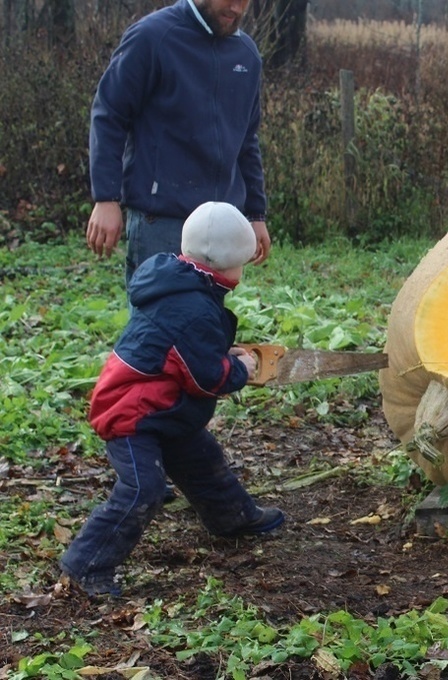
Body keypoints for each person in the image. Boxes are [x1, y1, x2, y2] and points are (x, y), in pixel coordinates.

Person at [60, 202, 284, 598]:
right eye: (242, 262)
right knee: (142, 490)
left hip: (165, 411)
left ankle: (231, 517)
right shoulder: (193, 308)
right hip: (133, 417)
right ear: (225, 264)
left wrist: (222, 353)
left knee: (202, 459)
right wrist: (240, 371)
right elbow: (204, 377)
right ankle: (86, 564)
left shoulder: (185, 284)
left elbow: (183, 355)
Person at [85, 0, 271, 286]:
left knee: (207, 325)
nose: (237, 8)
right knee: (158, 326)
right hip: (161, 221)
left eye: (245, 0)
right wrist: (106, 198)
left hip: (221, 226)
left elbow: (247, 139)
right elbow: (109, 114)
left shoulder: (246, 55)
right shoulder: (152, 37)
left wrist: (255, 213)